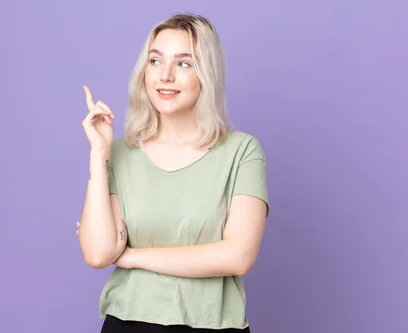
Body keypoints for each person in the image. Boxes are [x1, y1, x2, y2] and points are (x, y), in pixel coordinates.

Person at [77, 13, 270, 333]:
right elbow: (99, 253)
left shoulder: (242, 152)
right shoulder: (122, 153)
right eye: (155, 61)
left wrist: (132, 257)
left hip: (212, 326)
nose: (165, 75)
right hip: (129, 322)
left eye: (183, 63)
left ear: (206, 74)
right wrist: (100, 153)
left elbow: (238, 256)